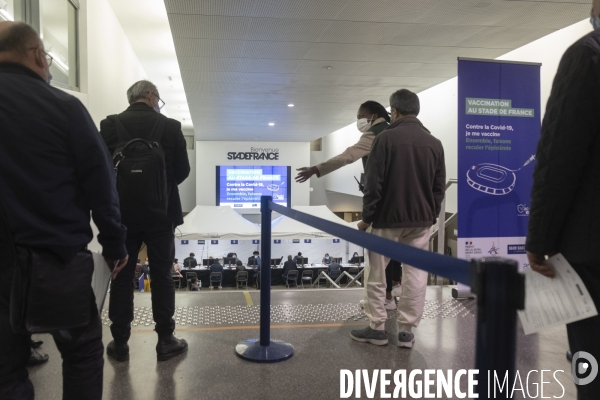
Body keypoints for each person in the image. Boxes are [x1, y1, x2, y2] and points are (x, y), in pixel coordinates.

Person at [0, 21, 128, 399]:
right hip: (56, 262)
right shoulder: (63, 107)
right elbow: (100, 183)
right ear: (37, 55)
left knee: (5, 372)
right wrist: (115, 243)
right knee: (82, 353)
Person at [526, 5, 600, 398]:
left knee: (592, 362)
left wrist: (540, 239)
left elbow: (559, 156)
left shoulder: (588, 55)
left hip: (592, 250)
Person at [100, 79, 190, 362]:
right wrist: (159, 187)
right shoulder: (171, 127)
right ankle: (165, 340)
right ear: (151, 96)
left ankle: (120, 343)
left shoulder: (109, 126)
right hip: (161, 215)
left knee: (122, 277)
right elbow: (183, 171)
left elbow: (100, 168)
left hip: (122, 215)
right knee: (162, 276)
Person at [352, 89, 445, 348]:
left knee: (377, 272)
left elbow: (373, 183)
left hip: (387, 219)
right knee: (415, 274)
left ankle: (377, 327)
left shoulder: (386, 139)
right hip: (421, 221)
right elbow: (439, 187)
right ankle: (406, 332)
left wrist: (367, 217)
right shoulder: (434, 142)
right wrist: (430, 214)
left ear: (393, 111)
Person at [295, 100, 391, 183]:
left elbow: (348, 156)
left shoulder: (373, 134)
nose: (359, 121)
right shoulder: (390, 129)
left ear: (374, 116)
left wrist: (315, 169)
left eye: (361, 116)